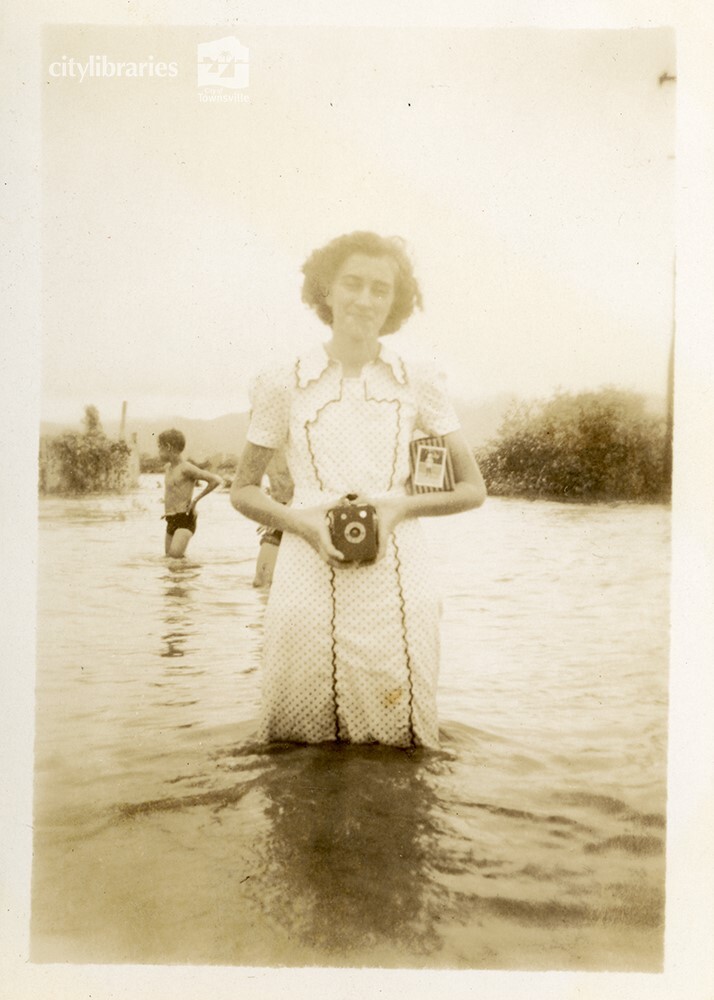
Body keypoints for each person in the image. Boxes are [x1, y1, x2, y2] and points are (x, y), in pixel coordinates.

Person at [230, 231, 486, 748]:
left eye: (380, 289)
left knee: (400, 741)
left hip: (396, 571)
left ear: (396, 301)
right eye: (352, 283)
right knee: (295, 744)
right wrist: (302, 521)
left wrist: (396, 509)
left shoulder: (418, 379)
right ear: (326, 289)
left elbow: (472, 488)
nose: (365, 300)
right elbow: (242, 491)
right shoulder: (283, 380)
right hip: (304, 569)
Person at [158, 429, 224, 557]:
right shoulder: (168, 468)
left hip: (185, 519)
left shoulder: (186, 468)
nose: (159, 452)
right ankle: (191, 575)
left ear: (168, 447)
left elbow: (215, 480)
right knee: (170, 562)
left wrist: (195, 500)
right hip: (170, 519)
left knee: (174, 559)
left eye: (160, 448)